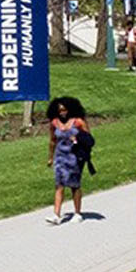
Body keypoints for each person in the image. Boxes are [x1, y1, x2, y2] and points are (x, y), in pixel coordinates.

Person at [45, 96, 90, 224]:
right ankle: (56, 215)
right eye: (60, 111)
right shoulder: (54, 123)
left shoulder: (78, 122)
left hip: (75, 157)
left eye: (64, 110)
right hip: (60, 157)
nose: (62, 113)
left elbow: (88, 139)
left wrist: (78, 140)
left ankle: (77, 212)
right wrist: (50, 157)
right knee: (59, 185)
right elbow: (52, 141)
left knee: (74, 186)